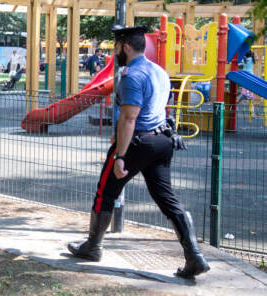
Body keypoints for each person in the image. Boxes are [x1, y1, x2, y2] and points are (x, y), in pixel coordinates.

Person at [67, 25, 210, 279]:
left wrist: (120, 155)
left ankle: (92, 246)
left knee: (105, 192)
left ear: (126, 47)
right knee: (167, 200)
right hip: (161, 141)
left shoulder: (131, 76)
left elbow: (129, 118)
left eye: (117, 49)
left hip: (137, 143)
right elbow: (153, 111)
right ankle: (194, 255)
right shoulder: (159, 72)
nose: (116, 54)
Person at [237, 51, 257, 115]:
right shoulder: (251, 59)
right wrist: (254, 53)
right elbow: (257, 58)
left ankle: (244, 94)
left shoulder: (244, 59)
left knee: (245, 86)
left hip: (244, 75)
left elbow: (239, 63)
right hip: (251, 75)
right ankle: (248, 94)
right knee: (251, 87)